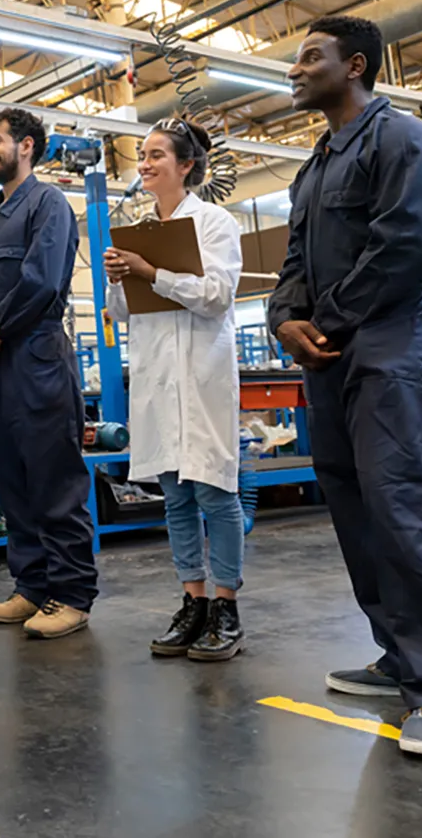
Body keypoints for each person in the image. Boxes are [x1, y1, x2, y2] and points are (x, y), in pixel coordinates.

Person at [269, 14, 422, 759]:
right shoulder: (318, 162)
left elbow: (406, 246)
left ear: (354, 65)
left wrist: (322, 319)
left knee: (402, 501)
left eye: (309, 58)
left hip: (394, 337)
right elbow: (295, 257)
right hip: (333, 348)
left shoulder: (408, 141)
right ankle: (400, 655)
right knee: (353, 503)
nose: (294, 71)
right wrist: (284, 320)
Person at [102, 120, 246, 661]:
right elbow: (120, 313)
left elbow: (216, 295)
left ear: (186, 165)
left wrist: (151, 269)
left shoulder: (214, 222)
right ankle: (193, 601)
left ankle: (226, 606)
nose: (144, 163)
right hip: (155, 375)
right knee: (176, 496)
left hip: (200, 372)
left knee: (214, 490)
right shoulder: (139, 230)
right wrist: (120, 277)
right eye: (141, 155)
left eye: (156, 154)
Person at [0, 108, 98, 640]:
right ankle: (32, 586)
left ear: (26, 147)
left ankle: (71, 593)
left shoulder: (49, 204)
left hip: (37, 358)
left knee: (53, 481)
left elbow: (42, 282)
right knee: (13, 481)